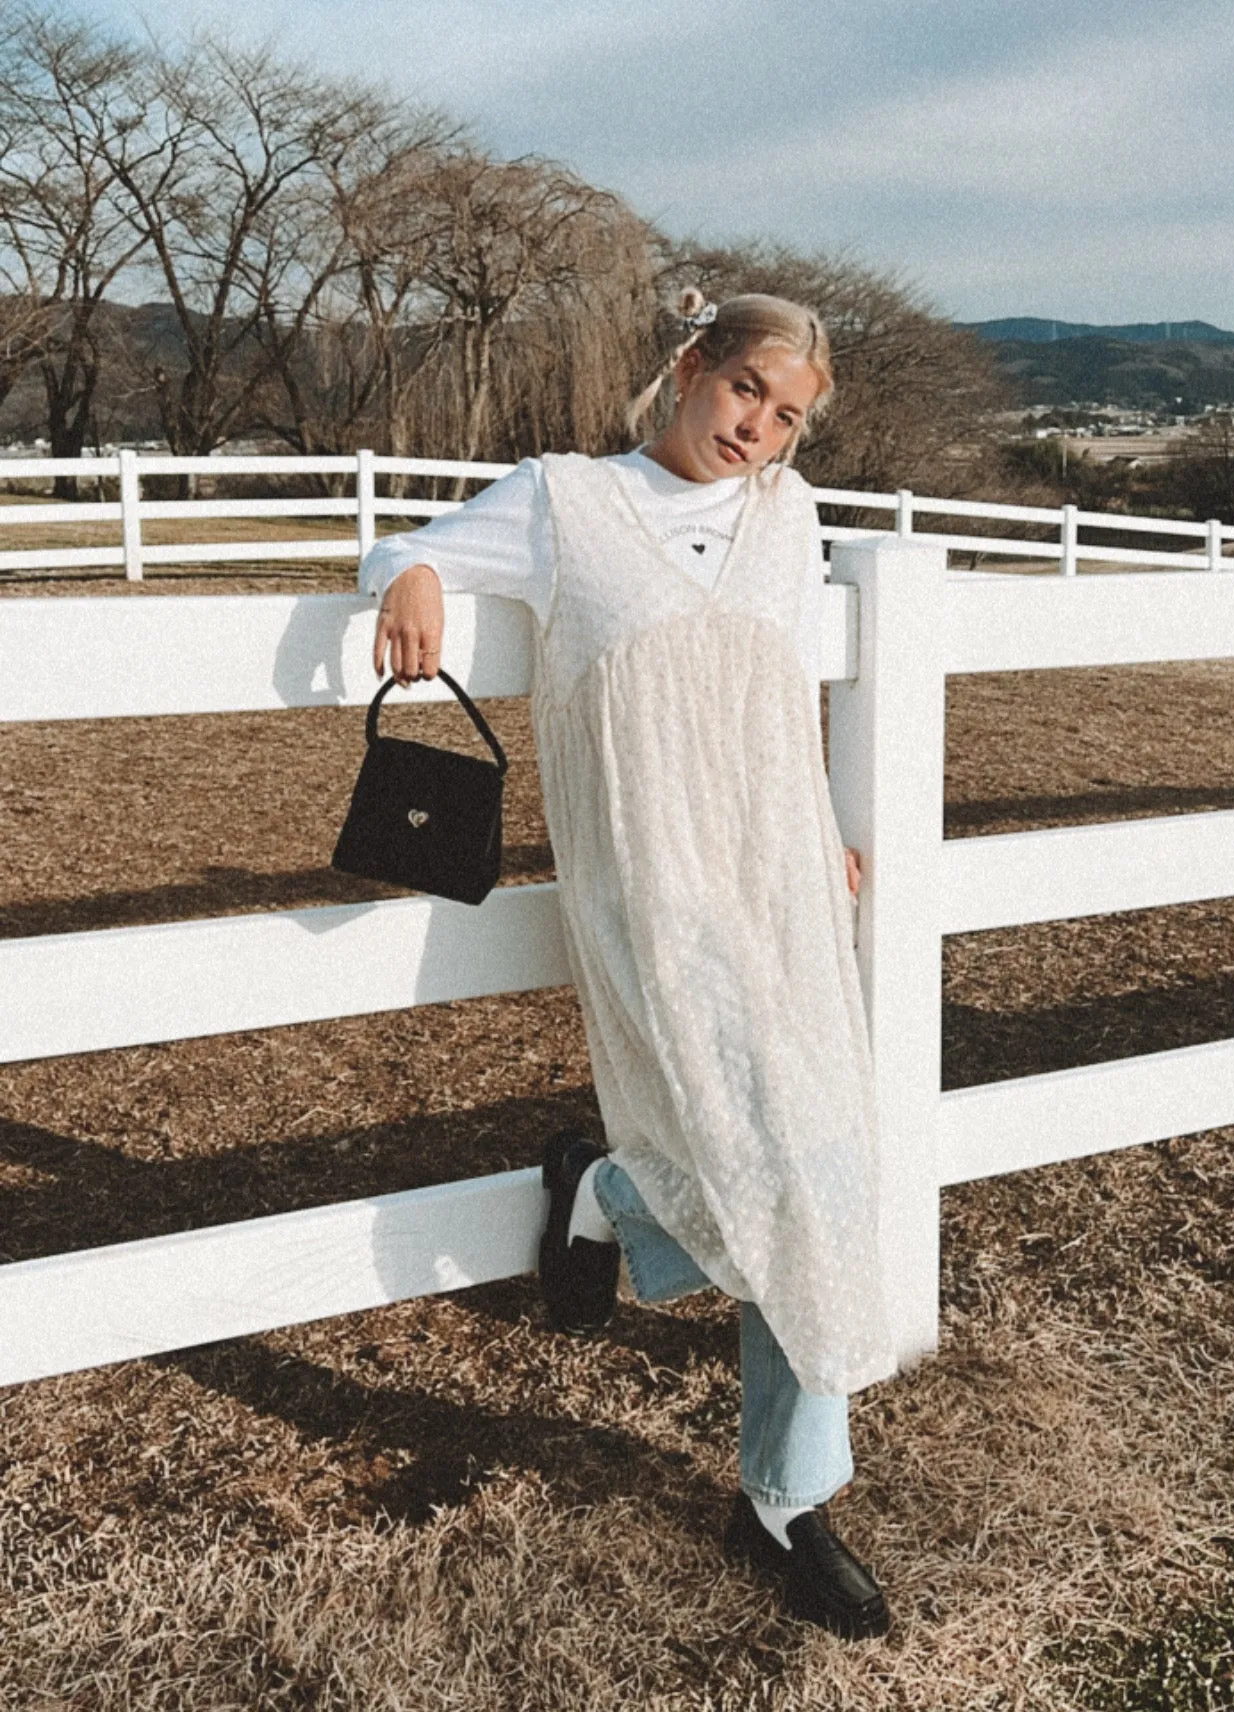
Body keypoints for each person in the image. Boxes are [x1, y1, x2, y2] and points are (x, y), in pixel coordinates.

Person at [358, 290, 895, 1641]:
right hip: (653, 888)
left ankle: (776, 1483)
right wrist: (414, 572)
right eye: (744, 396)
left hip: (776, 876)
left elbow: (785, 686)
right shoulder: (565, 501)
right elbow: (408, 551)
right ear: (688, 369)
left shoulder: (790, 514)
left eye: (787, 418)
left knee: (821, 1152)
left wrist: (824, 828)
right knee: (764, 1153)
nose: (758, 433)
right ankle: (615, 1201)